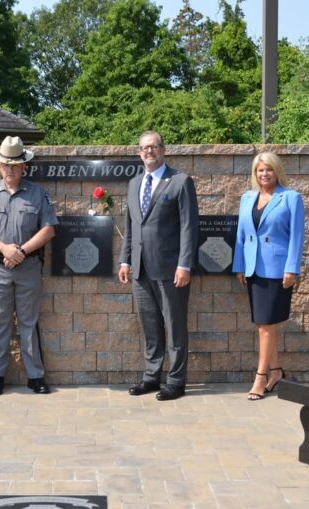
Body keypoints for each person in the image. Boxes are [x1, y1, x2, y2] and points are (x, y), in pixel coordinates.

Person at [0, 136, 58, 396]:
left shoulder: (38, 194)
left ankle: (35, 376)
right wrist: (4, 249)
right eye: (5, 165)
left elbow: (49, 229)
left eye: (15, 165)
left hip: (28, 266)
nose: (9, 169)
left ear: (23, 167)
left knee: (29, 322)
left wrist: (20, 251)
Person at [119, 130, 199, 401]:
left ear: (163, 150)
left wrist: (184, 264)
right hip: (140, 270)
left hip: (170, 269)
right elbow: (130, 227)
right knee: (150, 326)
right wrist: (125, 259)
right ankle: (151, 377)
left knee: (174, 326)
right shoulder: (134, 183)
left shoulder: (180, 182)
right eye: (144, 148)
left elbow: (189, 227)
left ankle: (176, 382)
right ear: (139, 152)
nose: (149, 151)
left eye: (153, 147)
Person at [233, 152, 305, 400]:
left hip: (277, 271)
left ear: (277, 171)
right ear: (255, 173)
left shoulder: (291, 198)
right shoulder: (247, 199)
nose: (264, 174)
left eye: (269, 170)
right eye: (260, 170)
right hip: (253, 270)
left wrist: (292, 268)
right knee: (265, 326)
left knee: (266, 327)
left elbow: (297, 236)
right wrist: (239, 266)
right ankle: (276, 372)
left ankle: (260, 378)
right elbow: (241, 236)